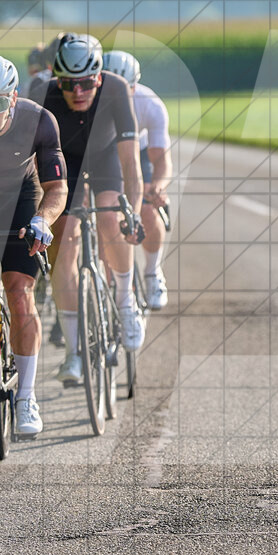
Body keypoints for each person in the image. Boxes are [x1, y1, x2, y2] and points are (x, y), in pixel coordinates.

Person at [0, 53, 67, 437]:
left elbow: (56, 188)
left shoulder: (40, 120)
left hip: (19, 199)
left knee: (20, 292)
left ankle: (26, 395)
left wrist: (41, 220)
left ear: (15, 98)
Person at [37, 34, 145, 385]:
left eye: (86, 83)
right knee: (62, 251)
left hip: (105, 158)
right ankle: (73, 352)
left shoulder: (114, 89)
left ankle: (126, 301)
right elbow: (35, 169)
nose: (78, 91)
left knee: (111, 214)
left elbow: (131, 167)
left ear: (99, 77)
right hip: (64, 167)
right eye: (69, 84)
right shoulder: (44, 95)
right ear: (58, 78)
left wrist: (135, 213)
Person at [102, 50, 172, 310]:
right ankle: (112, 286)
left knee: (146, 208)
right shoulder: (89, 100)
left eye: (125, 88)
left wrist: (158, 186)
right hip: (104, 151)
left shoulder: (150, 105)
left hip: (138, 152)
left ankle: (152, 272)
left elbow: (161, 160)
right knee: (103, 217)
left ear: (135, 84)